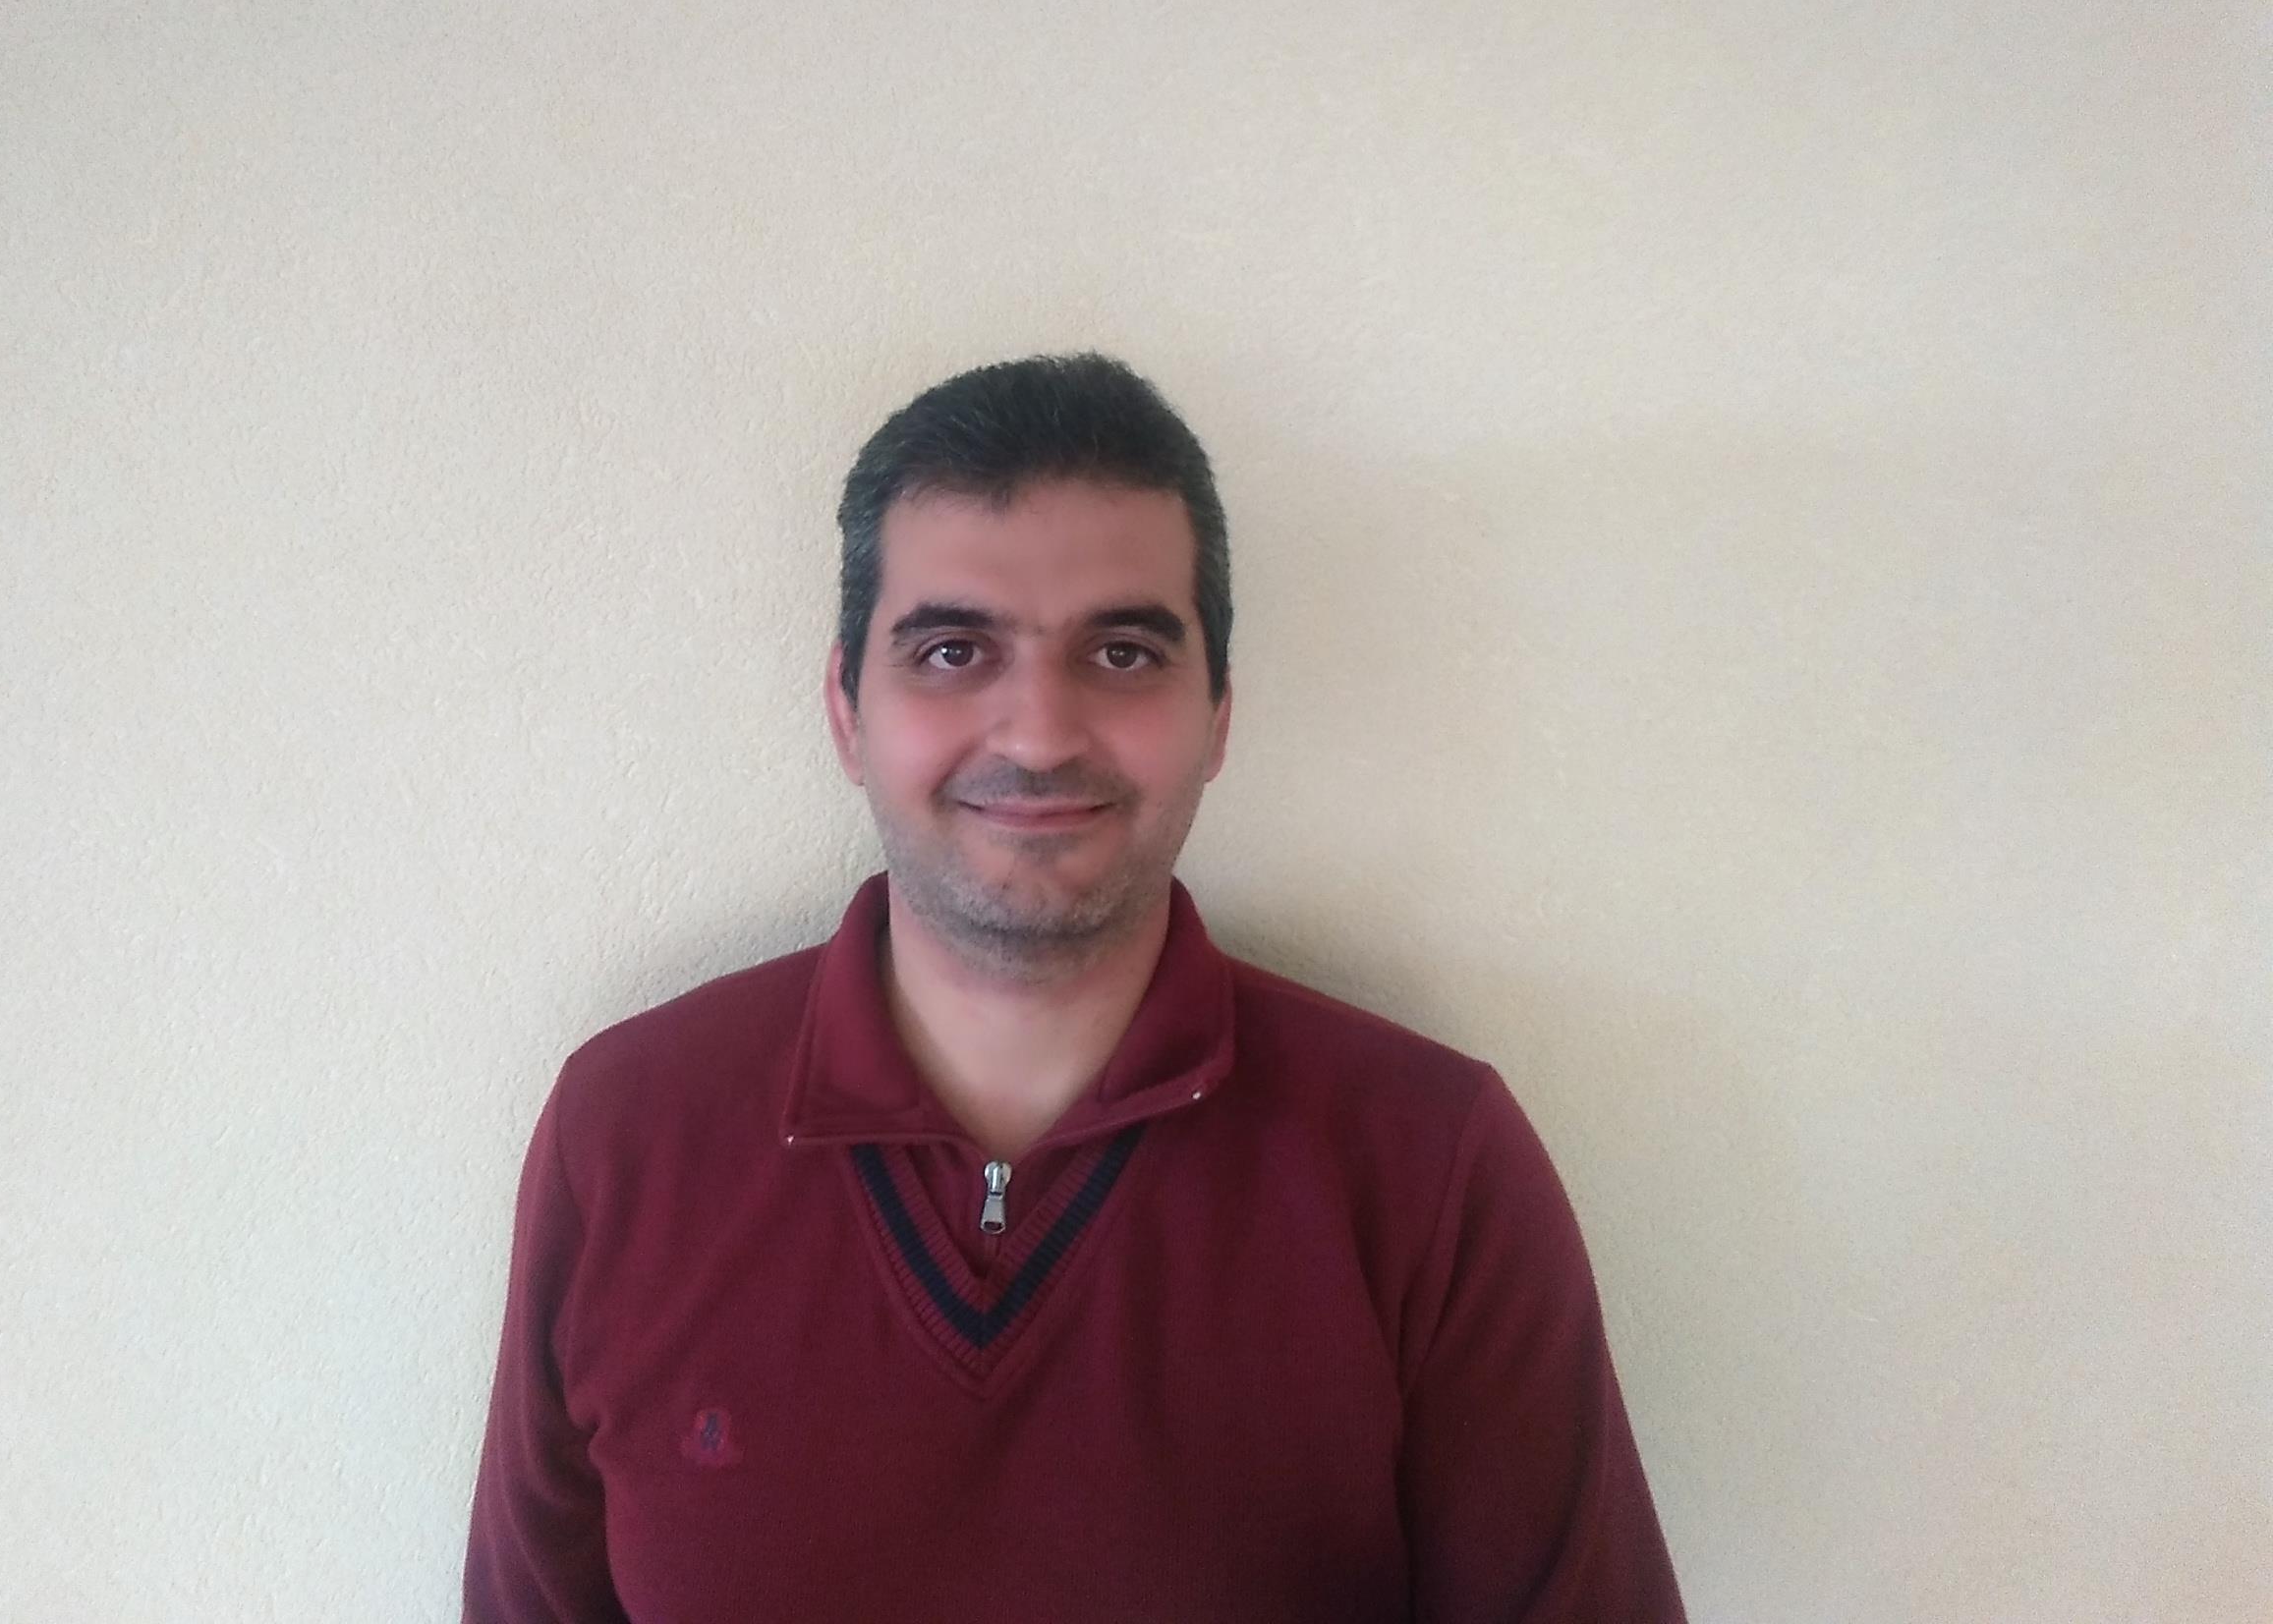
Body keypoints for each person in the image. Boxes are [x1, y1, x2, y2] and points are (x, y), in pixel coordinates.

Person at [462, 353, 1686, 1622]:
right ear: (846, 710)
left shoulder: (1431, 1167)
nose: (1040, 733)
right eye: (952, 650)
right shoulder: (626, 1133)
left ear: (1218, 714)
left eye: (1123, 652)